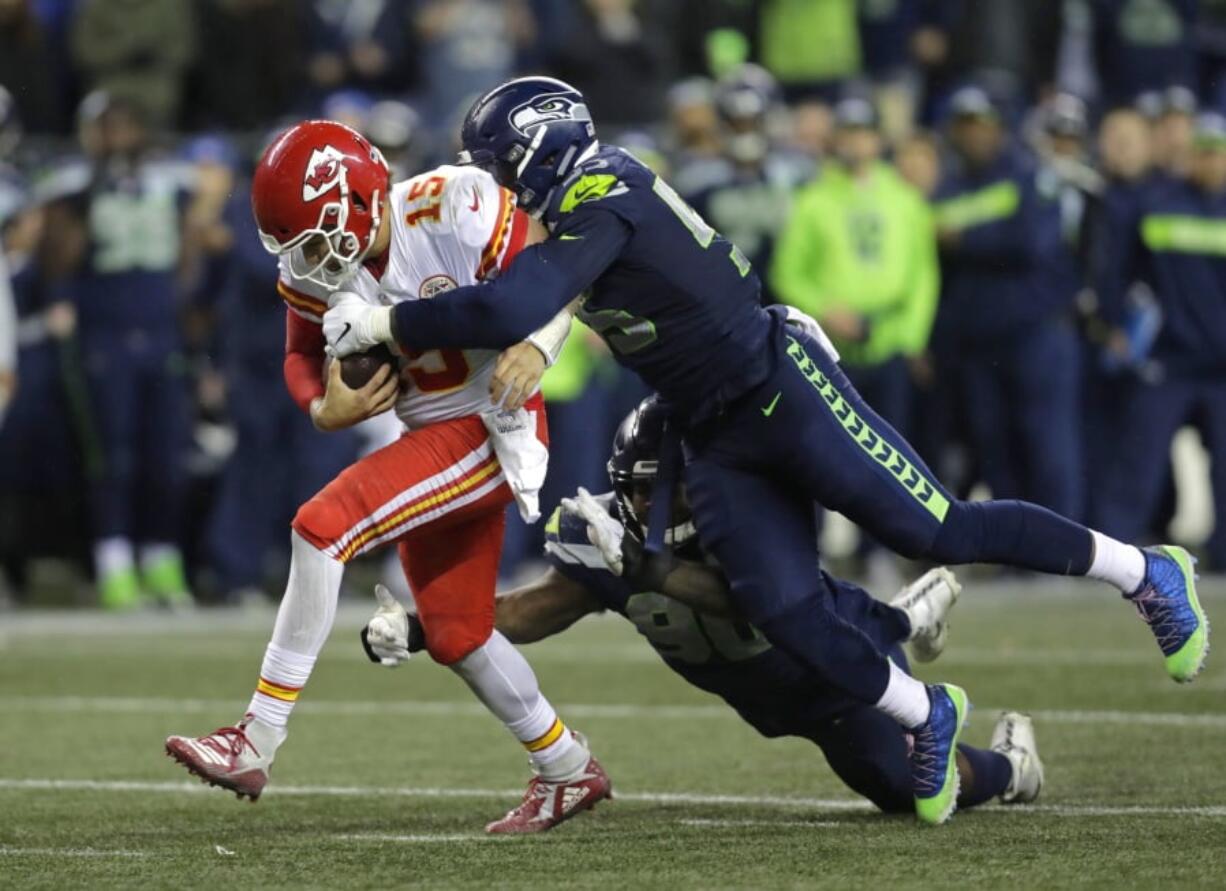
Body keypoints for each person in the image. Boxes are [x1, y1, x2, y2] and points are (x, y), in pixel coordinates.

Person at [324, 76, 1209, 825]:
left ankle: (1143, 571)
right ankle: (926, 709)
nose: (496, 186)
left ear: (537, 148)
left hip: (776, 390)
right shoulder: (575, 217)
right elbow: (531, 297)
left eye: (498, 165)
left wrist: (386, 320)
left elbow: (513, 303)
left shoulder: (607, 192)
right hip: (710, 422)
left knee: (936, 526)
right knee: (777, 604)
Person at [165, 121, 611, 835]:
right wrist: (322, 405)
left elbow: (563, 265)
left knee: (321, 525)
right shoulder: (316, 268)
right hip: (429, 433)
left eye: (315, 239)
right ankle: (565, 766)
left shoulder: (452, 206)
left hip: (491, 426)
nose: (309, 262)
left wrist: (537, 339)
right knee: (458, 631)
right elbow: (300, 352)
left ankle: (257, 736)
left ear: (359, 201)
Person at [362, 397, 1045, 815]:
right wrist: (424, 629)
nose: (639, 507)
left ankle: (1013, 766)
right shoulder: (609, 537)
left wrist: (652, 571)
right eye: (630, 490)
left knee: (902, 790)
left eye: (658, 492)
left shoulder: (741, 521)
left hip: (837, 671)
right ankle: (908, 614)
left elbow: (749, 605)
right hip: (768, 697)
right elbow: (538, 607)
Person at [931, 86, 1084, 522]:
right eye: (966, 127)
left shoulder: (1030, 173)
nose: (976, 135)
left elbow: (1031, 244)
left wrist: (964, 241)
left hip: (1037, 331)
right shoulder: (948, 186)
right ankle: (1021, 550)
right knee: (994, 446)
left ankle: (1067, 549)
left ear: (1001, 130)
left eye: (984, 126)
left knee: (1048, 442)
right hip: (978, 339)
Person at [1093, 113, 1226, 570]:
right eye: (1203, 151)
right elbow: (1120, 273)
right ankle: (1112, 560)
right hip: (1168, 361)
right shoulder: (1156, 205)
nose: (1210, 162)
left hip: (1222, 369)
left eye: (1217, 152)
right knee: (1137, 465)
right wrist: (1115, 324)